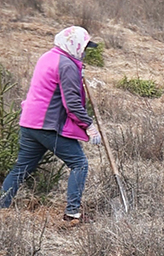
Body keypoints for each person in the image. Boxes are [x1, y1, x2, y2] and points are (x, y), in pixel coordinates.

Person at [0, 26, 102, 222]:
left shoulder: (48, 56)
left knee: (21, 168)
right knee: (79, 163)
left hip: (29, 123)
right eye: (84, 47)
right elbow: (71, 104)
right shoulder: (66, 65)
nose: (84, 52)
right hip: (47, 125)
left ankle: (2, 205)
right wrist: (89, 125)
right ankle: (72, 213)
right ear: (74, 45)